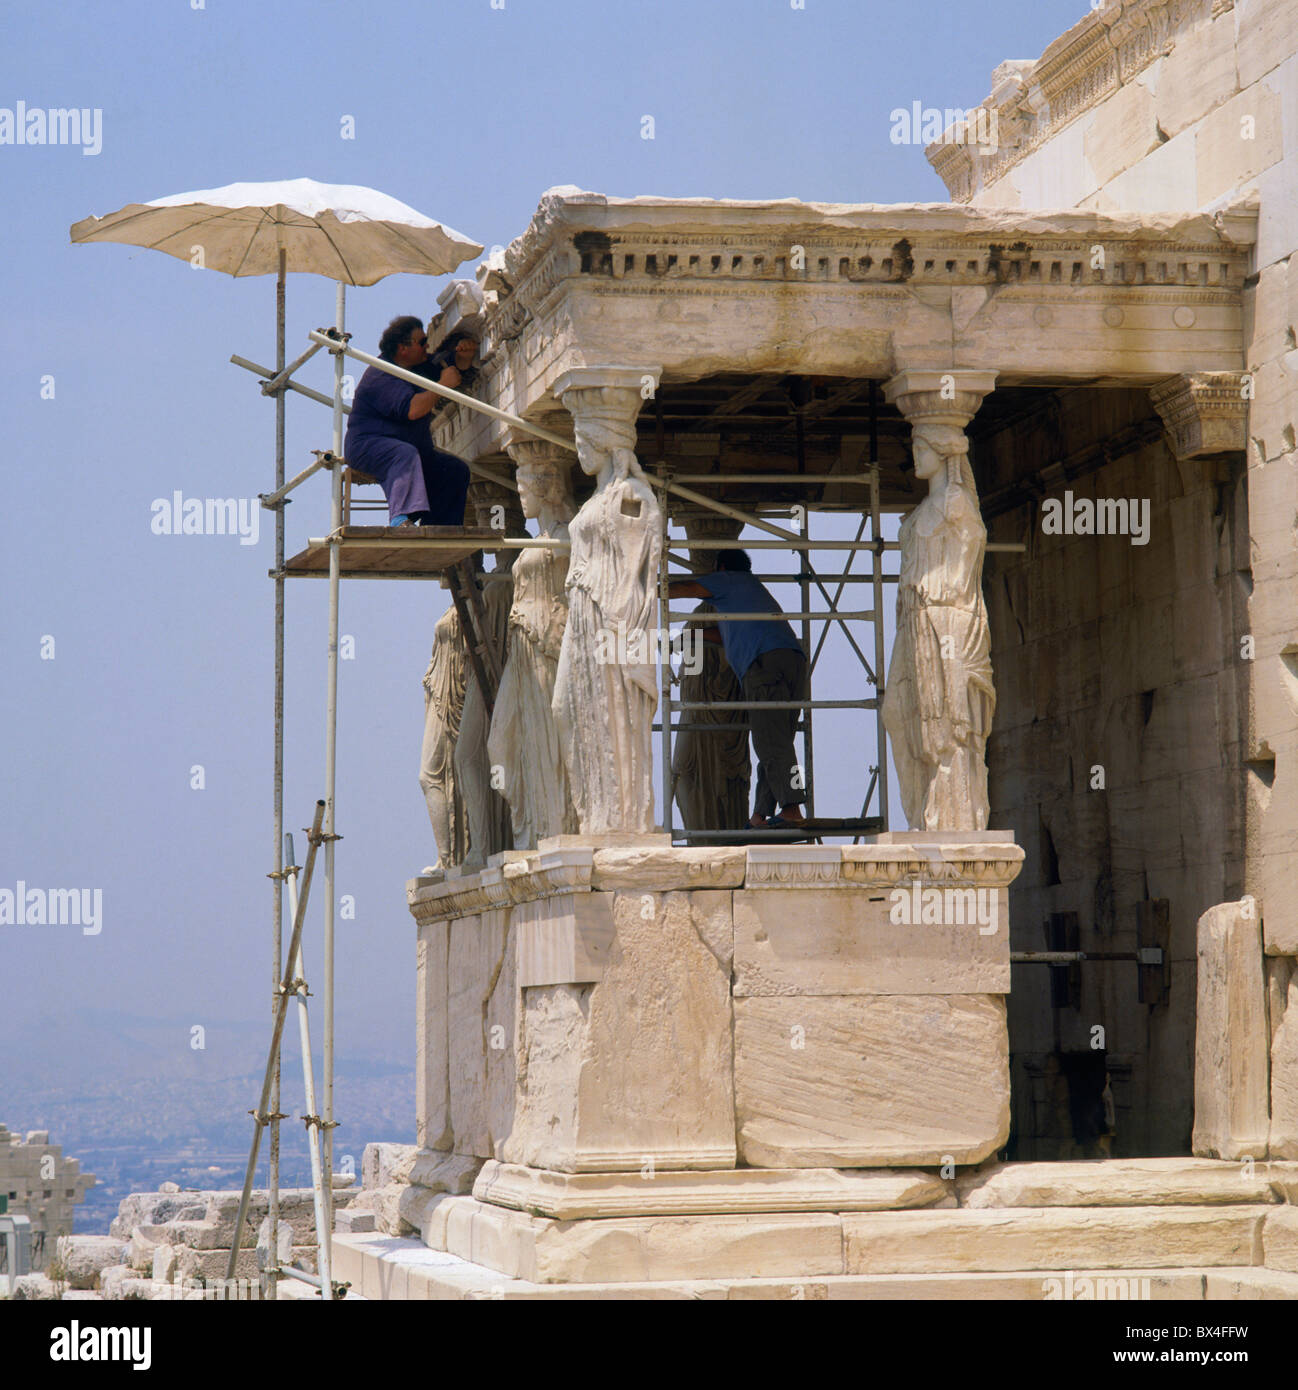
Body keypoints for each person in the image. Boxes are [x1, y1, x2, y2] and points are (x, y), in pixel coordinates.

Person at [668, 550, 809, 828]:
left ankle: (792, 808)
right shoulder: (747, 593)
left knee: (770, 742)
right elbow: (725, 636)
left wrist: (649, 589)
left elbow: (686, 589)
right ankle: (761, 815)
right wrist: (689, 636)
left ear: (720, 567)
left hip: (764, 662)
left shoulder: (727, 580)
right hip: (791, 659)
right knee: (776, 741)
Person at [343, 315, 470, 527]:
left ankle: (440, 527)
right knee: (403, 453)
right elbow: (413, 409)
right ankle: (401, 519)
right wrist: (443, 386)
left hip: (411, 449)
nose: (426, 346)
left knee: (454, 470)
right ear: (403, 348)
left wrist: (465, 354)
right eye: (422, 342)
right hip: (368, 446)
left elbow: (450, 364)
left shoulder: (416, 365)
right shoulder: (381, 375)